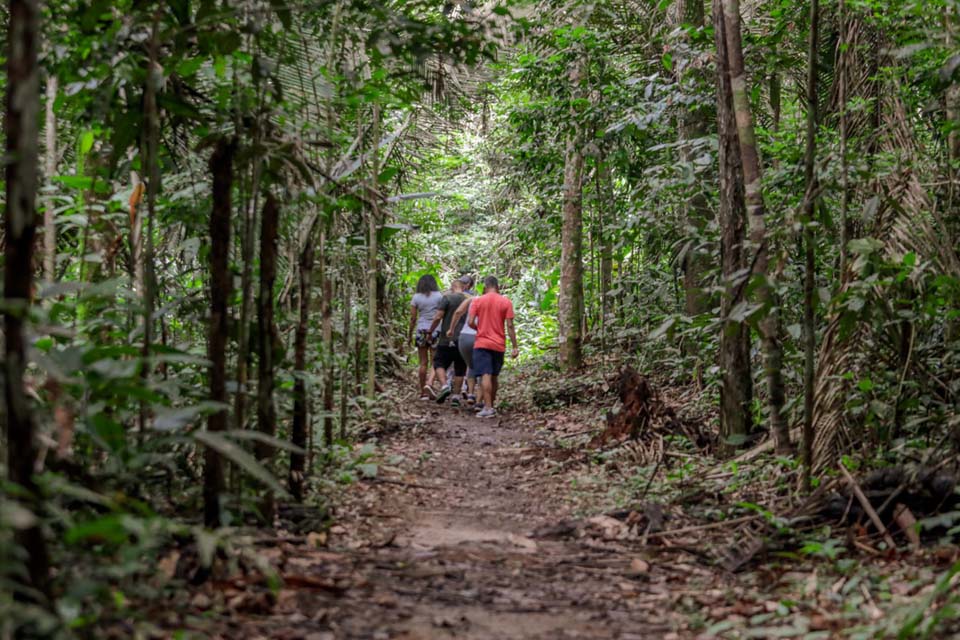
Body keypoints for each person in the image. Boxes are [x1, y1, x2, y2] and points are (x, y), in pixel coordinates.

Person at [467, 276, 519, 418]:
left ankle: (488, 407)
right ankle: (492, 405)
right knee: (494, 376)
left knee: (485, 374)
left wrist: (480, 329)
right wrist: (515, 346)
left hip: (482, 343)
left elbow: (470, 321)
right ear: (497, 286)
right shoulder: (505, 302)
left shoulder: (477, 300)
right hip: (498, 344)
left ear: (485, 286)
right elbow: (510, 325)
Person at [428, 278, 468, 406]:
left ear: (452, 287)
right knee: (460, 368)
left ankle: (445, 385)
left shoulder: (447, 298)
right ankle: (456, 396)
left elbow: (438, 316)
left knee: (438, 362)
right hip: (462, 338)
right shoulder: (469, 299)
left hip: (446, 338)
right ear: (464, 288)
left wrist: (430, 330)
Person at [408, 274, 442, 400]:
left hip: (421, 330)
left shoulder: (416, 297)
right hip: (435, 330)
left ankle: (423, 392)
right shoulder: (439, 296)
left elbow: (413, 318)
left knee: (422, 362)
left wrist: (409, 334)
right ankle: (430, 385)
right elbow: (441, 313)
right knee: (434, 361)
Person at [449, 275, 479, 406]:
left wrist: (450, 328)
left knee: (457, 363)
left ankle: (454, 388)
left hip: (462, 333)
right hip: (475, 334)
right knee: (470, 365)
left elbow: (457, 313)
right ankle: (469, 390)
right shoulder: (474, 298)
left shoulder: (449, 296)